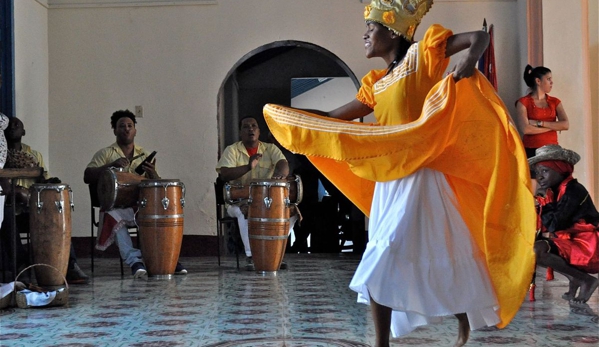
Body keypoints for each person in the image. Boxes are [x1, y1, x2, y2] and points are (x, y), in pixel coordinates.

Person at [263, 1, 535, 346]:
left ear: (392, 31)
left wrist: (469, 60)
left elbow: (478, 37)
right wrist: (290, 117)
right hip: (390, 182)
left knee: (386, 254)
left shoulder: (424, 55)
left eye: (371, 28)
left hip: (423, 176)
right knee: (427, 251)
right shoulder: (375, 84)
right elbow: (334, 117)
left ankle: (382, 342)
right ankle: (445, 324)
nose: (364, 34)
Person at [84, 110, 187, 278]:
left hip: (141, 207)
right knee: (112, 216)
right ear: (115, 130)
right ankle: (135, 262)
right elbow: (87, 176)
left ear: (135, 130)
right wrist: (110, 165)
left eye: (130, 126)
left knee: (162, 213)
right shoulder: (105, 154)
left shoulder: (144, 154)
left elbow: (156, 184)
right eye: (121, 126)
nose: (126, 129)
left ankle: (166, 259)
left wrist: (153, 174)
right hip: (116, 206)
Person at [0, 117, 89, 284]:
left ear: (24, 132)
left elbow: (44, 182)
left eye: (17, 124)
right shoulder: (1, 155)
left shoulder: (34, 155)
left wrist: (40, 183)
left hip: (32, 208)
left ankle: (69, 264)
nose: (13, 126)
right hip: (11, 207)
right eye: (9, 124)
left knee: (57, 214)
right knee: (6, 217)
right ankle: (20, 265)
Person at [216, 117, 296, 270]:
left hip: (267, 201)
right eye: (246, 127)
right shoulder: (232, 150)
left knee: (291, 212)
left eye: (254, 126)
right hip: (237, 201)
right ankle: (251, 256)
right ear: (241, 132)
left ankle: (275, 252)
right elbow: (225, 174)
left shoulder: (270, 148)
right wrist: (248, 166)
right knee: (246, 211)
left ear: (259, 132)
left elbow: (283, 163)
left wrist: (279, 175)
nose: (250, 129)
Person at [530, 144, 599, 304]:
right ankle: (575, 279)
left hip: (588, 244)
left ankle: (585, 280)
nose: (539, 177)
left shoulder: (574, 190)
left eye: (545, 171)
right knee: (533, 249)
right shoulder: (553, 193)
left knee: (537, 250)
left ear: (560, 169)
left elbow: (555, 224)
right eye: (538, 172)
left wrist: (542, 206)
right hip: (569, 240)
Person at [515, 65, 569, 160]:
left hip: (552, 149)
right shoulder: (523, 102)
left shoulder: (555, 102)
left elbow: (565, 125)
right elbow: (526, 129)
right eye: (548, 79)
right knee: (534, 174)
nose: (551, 82)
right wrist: (554, 127)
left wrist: (539, 123)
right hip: (531, 150)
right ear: (538, 81)